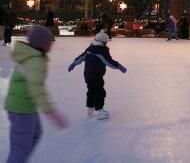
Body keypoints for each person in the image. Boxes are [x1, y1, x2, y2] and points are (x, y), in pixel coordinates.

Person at [4, 26, 67, 163]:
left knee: (35, 135)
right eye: (50, 42)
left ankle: (20, 159)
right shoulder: (35, 61)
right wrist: (50, 111)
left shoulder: (34, 56)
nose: (52, 44)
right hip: (21, 108)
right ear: (41, 44)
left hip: (26, 106)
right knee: (20, 147)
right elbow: (37, 88)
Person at [68, 31, 127, 120]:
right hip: (97, 76)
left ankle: (90, 109)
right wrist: (119, 66)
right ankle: (100, 112)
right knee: (100, 92)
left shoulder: (90, 48)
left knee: (91, 91)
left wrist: (74, 63)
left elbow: (81, 57)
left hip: (87, 76)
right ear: (104, 42)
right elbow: (109, 62)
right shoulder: (102, 51)